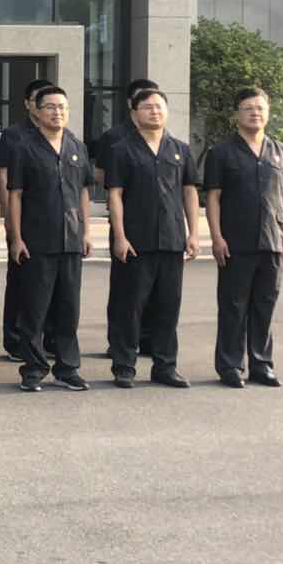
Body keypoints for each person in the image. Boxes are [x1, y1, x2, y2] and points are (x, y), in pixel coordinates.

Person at [105, 88, 201, 389]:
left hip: (171, 240)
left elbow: (189, 192)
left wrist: (194, 233)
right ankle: (124, 366)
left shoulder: (180, 150)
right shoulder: (122, 149)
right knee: (128, 306)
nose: (154, 112)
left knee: (168, 307)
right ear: (135, 113)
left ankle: (165, 366)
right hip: (135, 241)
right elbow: (115, 195)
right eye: (147, 107)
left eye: (159, 106)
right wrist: (120, 236)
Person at [203, 87, 283, 389]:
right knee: (233, 306)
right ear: (237, 114)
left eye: (260, 108)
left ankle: (261, 364)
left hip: (272, 239)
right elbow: (213, 197)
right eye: (248, 108)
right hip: (235, 241)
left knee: (264, 304)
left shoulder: (281, 151)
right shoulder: (221, 153)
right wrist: (216, 236)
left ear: (268, 112)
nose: (255, 113)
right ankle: (230, 366)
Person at [8, 85, 93, 393]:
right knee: (35, 309)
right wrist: (16, 238)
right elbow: (15, 195)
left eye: (62, 107)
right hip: (37, 240)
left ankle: (67, 368)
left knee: (68, 308)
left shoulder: (77, 146)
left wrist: (86, 231)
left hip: (71, 240)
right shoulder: (24, 147)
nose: (57, 112)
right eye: (51, 107)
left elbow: (83, 192)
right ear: (37, 111)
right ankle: (34, 368)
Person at [92, 77, 160, 359]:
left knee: (159, 291)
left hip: (160, 227)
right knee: (126, 289)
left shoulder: (165, 139)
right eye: (144, 101)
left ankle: (150, 340)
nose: (152, 108)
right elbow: (100, 174)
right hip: (127, 223)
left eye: (156, 101)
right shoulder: (115, 137)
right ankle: (120, 342)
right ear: (132, 105)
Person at [0, 78, 54, 362]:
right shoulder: (14, 135)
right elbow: (3, 176)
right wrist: (9, 219)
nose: (50, 108)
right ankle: (16, 340)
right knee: (20, 284)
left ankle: (47, 340)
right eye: (41, 100)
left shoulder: (62, 135)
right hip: (23, 220)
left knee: (51, 287)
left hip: (52, 224)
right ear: (29, 104)